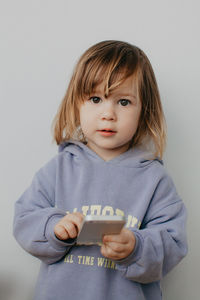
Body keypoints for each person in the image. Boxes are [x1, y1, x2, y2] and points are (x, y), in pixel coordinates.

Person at [13, 40, 188, 300]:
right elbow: (24, 220)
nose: (108, 113)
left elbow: (173, 245)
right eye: (95, 99)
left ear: (144, 111)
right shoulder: (59, 169)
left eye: (124, 102)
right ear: (77, 104)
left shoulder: (154, 180)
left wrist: (136, 248)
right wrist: (54, 228)